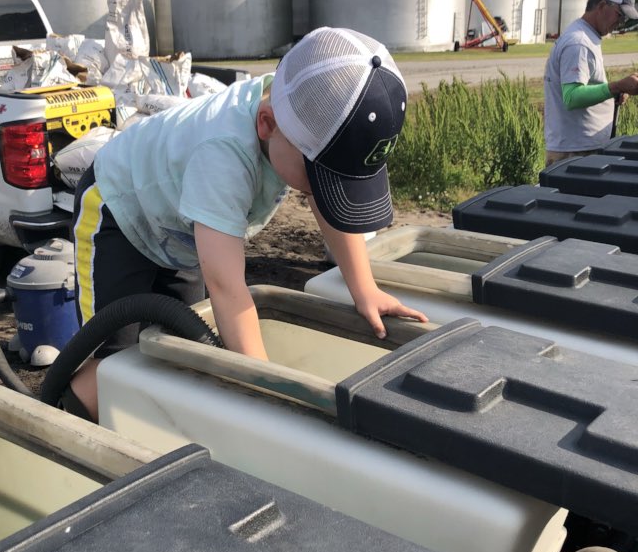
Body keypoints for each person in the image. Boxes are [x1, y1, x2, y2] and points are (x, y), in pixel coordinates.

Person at [65, 26, 428, 422]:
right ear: (266, 125)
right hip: (118, 209)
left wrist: (364, 289)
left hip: (179, 227)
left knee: (183, 342)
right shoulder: (223, 156)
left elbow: (326, 205)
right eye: (319, 177)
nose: (322, 192)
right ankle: (71, 426)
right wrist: (266, 389)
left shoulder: (296, 107)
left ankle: (147, 422)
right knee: (114, 360)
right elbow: (227, 287)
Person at [543, 0, 638, 167]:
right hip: (574, 152)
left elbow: (586, 85)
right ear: (602, 6)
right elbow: (572, 97)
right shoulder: (579, 42)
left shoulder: (587, 36)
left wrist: (613, 93)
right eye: (620, 15)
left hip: (580, 147)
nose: (621, 23)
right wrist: (615, 87)